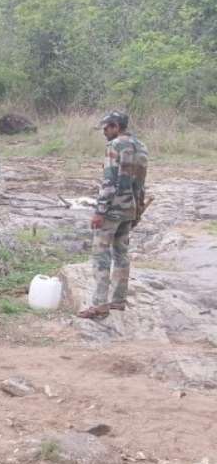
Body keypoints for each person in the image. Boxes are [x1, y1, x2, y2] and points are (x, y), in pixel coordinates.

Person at [77, 111, 148, 319]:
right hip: (130, 208)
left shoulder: (114, 146)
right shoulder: (141, 146)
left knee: (101, 255)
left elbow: (110, 181)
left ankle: (99, 304)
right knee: (121, 254)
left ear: (116, 126)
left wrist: (100, 211)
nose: (104, 131)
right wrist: (138, 209)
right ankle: (118, 300)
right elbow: (141, 182)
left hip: (112, 210)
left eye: (106, 127)